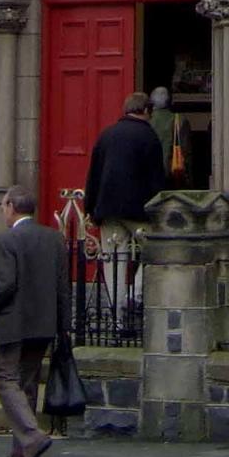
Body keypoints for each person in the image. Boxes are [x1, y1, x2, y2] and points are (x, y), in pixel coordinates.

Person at [0, 185, 71, 457]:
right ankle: (21, 447)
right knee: (28, 381)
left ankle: (32, 437)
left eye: (3, 206)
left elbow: (6, 284)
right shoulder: (54, 238)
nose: (2, 212)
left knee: (4, 377)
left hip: (14, 322)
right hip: (44, 323)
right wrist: (64, 326)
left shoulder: (6, 240)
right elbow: (63, 288)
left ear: (11, 207)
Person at [83, 92, 167, 318]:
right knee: (156, 251)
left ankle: (117, 317)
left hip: (108, 210)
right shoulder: (149, 137)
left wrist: (90, 208)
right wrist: (159, 210)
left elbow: (94, 175)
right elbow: (156, 179)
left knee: (113, 262)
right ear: (146, 111)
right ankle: (135, 296)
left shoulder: (106, 135)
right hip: (139, 211)